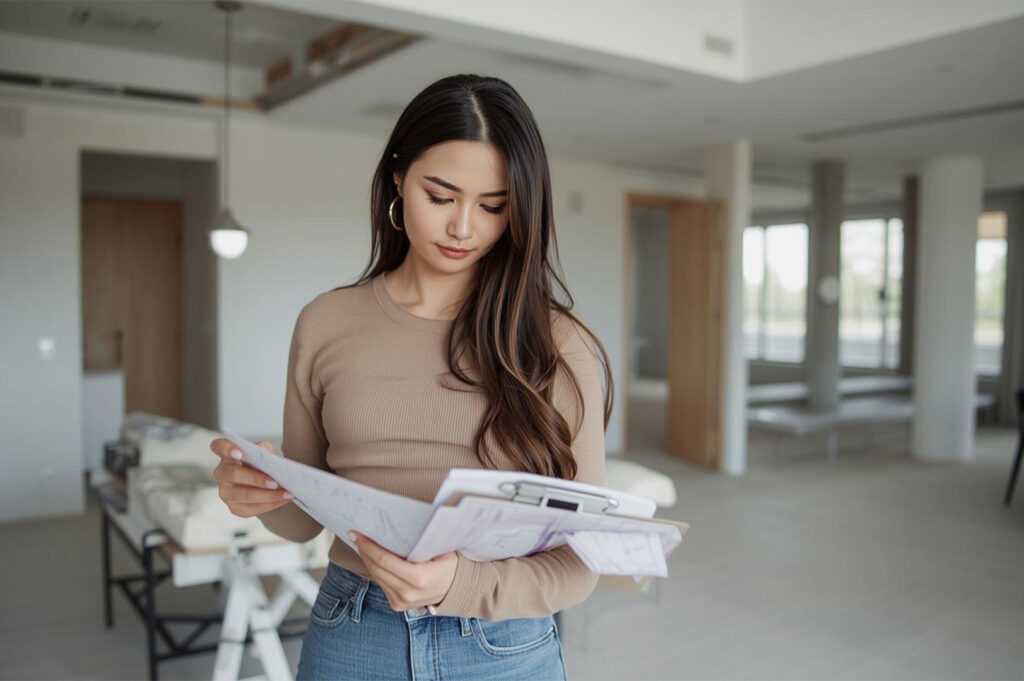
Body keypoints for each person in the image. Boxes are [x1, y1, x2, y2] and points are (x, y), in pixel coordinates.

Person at [209, 73, 613, 681]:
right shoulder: (326, 322)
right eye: (442, 196)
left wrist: (461, 581)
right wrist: (258, 495)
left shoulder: (557, 340)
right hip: (353, 630)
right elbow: (300, 521)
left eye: (494, 206)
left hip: (503, 646)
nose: (463, 228)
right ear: (398, 177)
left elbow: (583, 560)